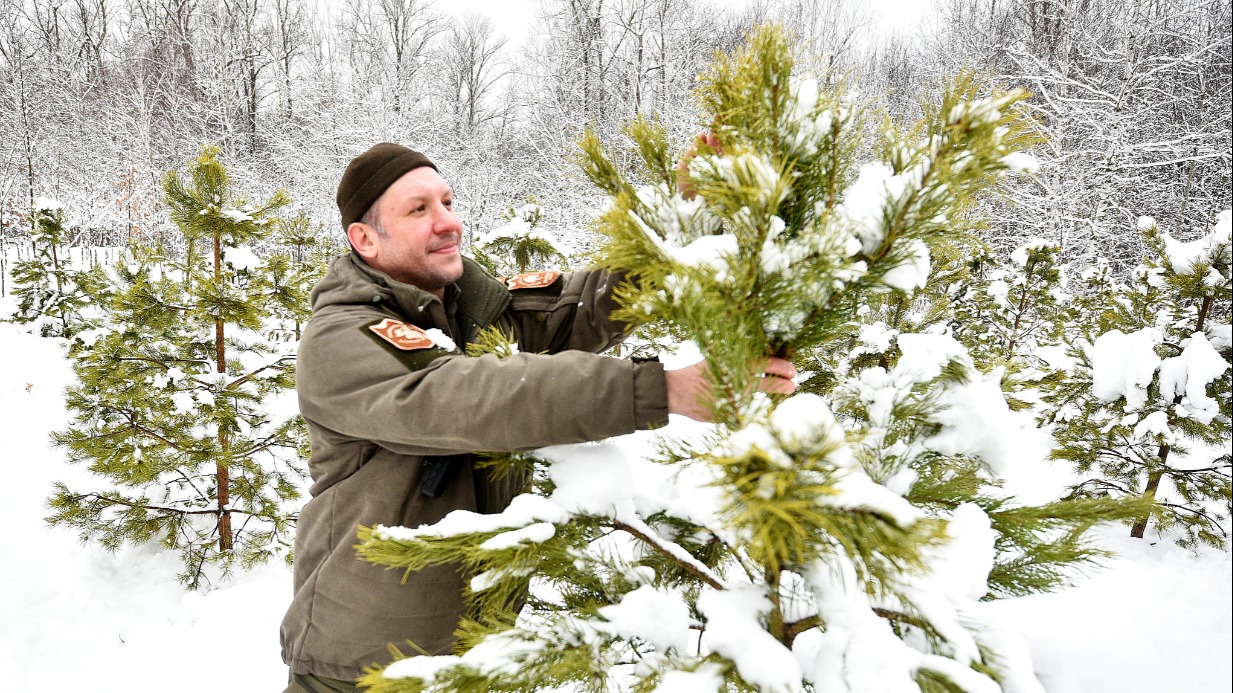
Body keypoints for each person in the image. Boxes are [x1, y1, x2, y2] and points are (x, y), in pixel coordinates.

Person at [280, 143, 796, 692]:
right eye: (419, 210)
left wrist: (687, 210)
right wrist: (661, 389)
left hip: (478, 651)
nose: (448, 222)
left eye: (447, 201)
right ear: (365, 240)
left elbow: (585, 304)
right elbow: (476, 396)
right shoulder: (340, 337)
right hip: (362, 665)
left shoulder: (472, 313)